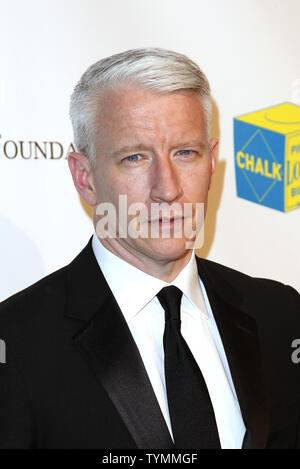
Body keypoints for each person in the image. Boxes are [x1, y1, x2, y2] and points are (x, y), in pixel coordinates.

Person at [0, 48, 299, 450]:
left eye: (185, 153)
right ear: (84, 177)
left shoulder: (280, 314)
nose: (169, 188)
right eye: (135, 157)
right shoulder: (18, 343)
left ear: (212, 162)